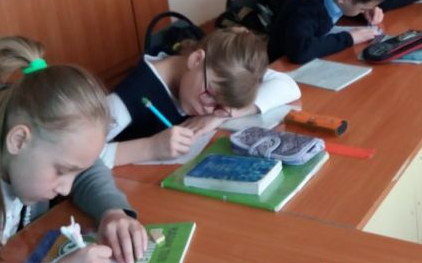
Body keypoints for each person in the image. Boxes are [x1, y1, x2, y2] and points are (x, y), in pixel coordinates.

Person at [0, 36, 147, 263]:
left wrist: (112, 210)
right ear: (18, 140)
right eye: (61, 171)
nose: (67, 187)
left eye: (73, 172)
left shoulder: (31, 152)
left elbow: (87, 168)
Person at [103, 27, 300, 167]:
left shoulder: (208, 76)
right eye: (210, 95)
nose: (208, 108)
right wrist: (150, 148)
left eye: (220, 106)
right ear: (196, 59)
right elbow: (84, 155)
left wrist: (217, 117)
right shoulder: (128, 98)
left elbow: (287, 86)